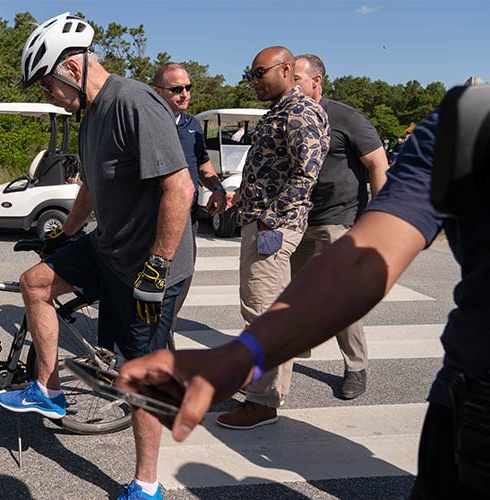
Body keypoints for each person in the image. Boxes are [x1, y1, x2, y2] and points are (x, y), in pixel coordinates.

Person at [117, 99, 490, 499]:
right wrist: (240, 356)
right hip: (472, 408)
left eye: (262, 71)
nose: (255, 80)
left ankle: (352, 368)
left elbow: (325, 179)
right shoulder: (466, 120)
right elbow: (364, 261)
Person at [0, 13, 195, 500]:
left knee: (139, 375)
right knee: (35, 282)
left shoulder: (134, 103)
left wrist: (159, 264)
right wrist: (64, 236)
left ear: (69, 68)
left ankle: (146, 485)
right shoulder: (89, 116)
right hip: (109, 246)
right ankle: (49, 390)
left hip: (151, 265)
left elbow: (181, 188)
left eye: (45, 84)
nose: (46, 95)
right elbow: (90, 186)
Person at [215, 46, 330, 430]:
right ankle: (265, 392)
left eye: (259, 72)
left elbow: (306, 172)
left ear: (285, 69)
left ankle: (262, 403)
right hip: (264, 223)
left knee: (261, 315)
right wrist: (239, 199)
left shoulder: (299, 111)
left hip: (272, 230)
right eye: (250, 74)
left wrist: (270, 221)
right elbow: (273, 172)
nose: (253, 81)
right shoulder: (280, 110)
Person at [286, 53, 389, 400]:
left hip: (339, 220)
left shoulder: (345, 116)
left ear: (316, 81)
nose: (290, 85)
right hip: (298, 219)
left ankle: (355, 367)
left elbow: (377, 164)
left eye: (296, 78)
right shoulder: (290, 116)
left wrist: (378, 218)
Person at [152, 62, 233, 334]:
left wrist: (218, 189)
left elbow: (203, 167)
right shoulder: (147, 122)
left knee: (181, 280)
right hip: (151, 219)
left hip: (187, 220)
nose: (185, 93)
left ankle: (165, 333)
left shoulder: (193, 125)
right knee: (152, 280)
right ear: (158, 91)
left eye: (188, 87)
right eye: (176, 89)